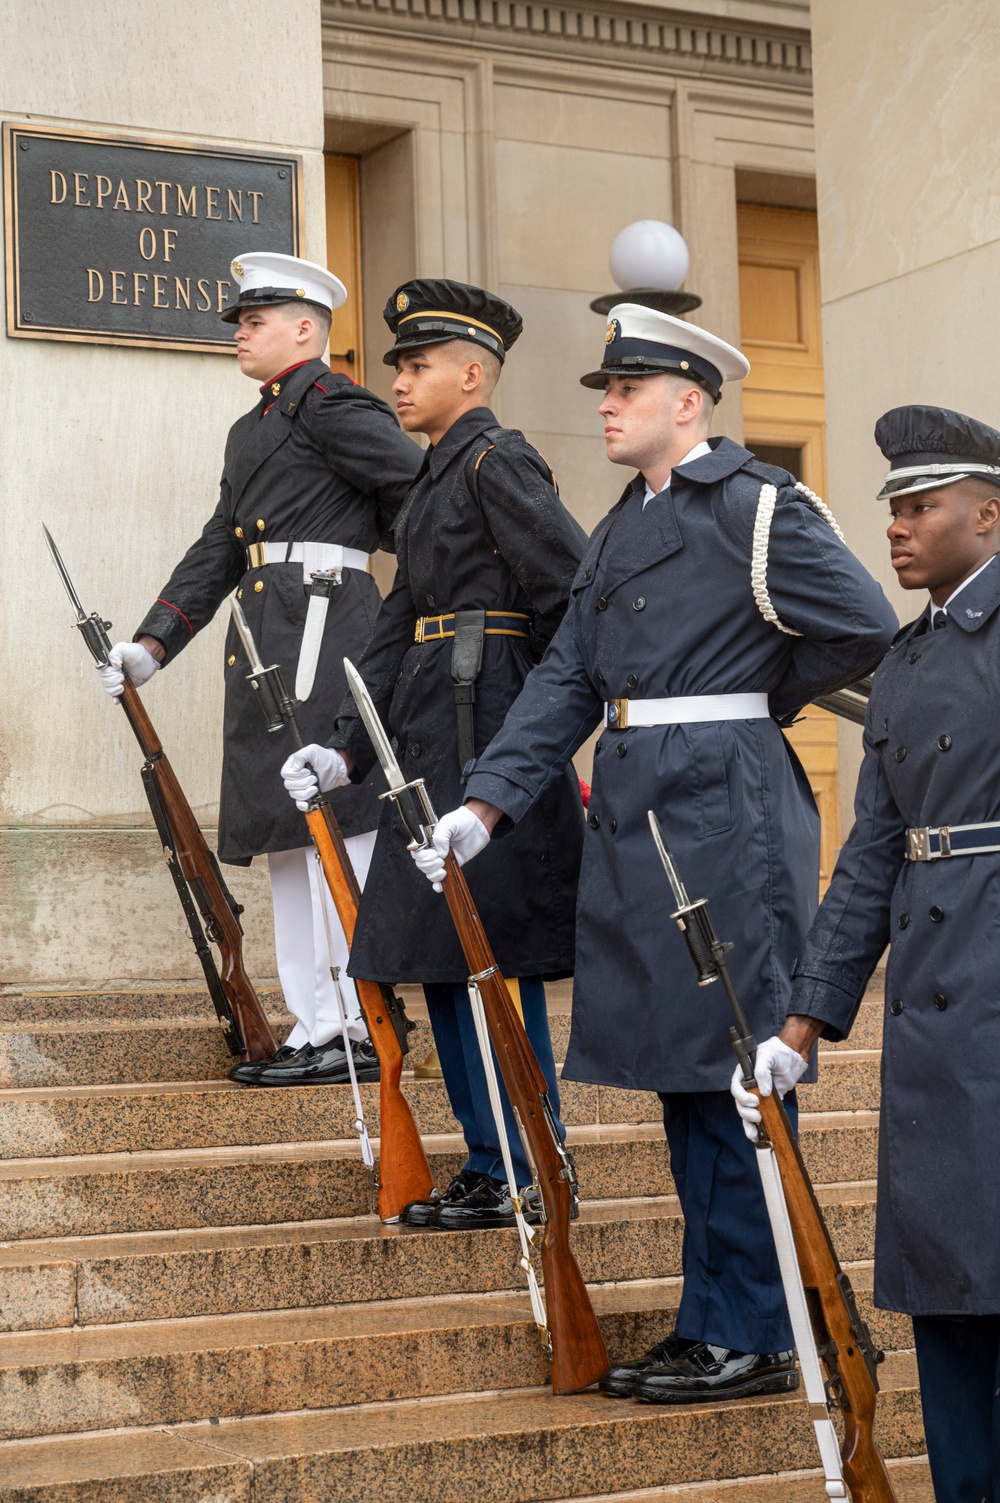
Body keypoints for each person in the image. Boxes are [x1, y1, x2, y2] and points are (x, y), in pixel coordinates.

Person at [414, 303, 897, 1394]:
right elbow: (568, 678)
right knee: (686, 1077)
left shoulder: (755, 505)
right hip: (641, 816)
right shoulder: (626, 521)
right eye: (605, 389)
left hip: (723, 811)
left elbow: (862, 625)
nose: (605, 405)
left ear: (687, 402)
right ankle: (719, 1314)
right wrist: (485, 804)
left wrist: (747, 701)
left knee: (729, 1067)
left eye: (624, 390)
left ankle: (758, 1328)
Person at [733, 406, 1000, 1501]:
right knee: (944, 1281)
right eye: (890, 509)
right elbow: (870, 857)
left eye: (920, 508)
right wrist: (801, 1023)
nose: (894, 528)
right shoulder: (903, 664)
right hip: (935, 1012)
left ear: (987, 514)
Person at [281, 278, 588, 1229]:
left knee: (492, 958)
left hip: (489, 741)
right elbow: (394, 624)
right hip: (423, 741)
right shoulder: (428, 484)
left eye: (417, 367)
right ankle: (488, 1158)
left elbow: (574, 601)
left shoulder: (500, 464)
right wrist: (343, 752)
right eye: (399, 367)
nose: (400, 383)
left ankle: (532, 1154)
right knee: (436, 955)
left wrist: (521, 745)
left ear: (471, 372)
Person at [98, 252, 422, 1086]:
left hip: (321, 625)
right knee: (288, 837)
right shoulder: (252, 428)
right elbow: (221, 545)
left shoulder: (332, 403)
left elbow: (421, 499)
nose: (239, 333)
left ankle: (358, 1017)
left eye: (255, 320)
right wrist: (153, 642)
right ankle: (317, 1021)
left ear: (306, 329)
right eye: (240, 321)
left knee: (332, 835)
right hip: (269, 634)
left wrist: (418, 608)